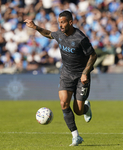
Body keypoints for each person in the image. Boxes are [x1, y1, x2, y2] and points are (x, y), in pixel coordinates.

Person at [24, 10, 97, 146]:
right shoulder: (59, 34)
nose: (61, 25)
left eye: (63, 22)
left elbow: (93, 55)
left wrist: (85, 72)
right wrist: (36, 27)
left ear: (70, 22)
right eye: (59, 23)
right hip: (66, 74)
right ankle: (76, 136)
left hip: (81, 76)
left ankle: (86, 107)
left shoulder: (80, 38)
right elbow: (48, 34)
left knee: (78, 110)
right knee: (64, 103)